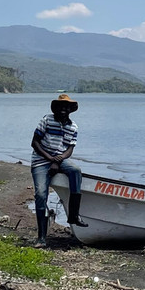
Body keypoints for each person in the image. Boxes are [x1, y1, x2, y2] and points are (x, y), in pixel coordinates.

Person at [30, 93, 88, 246]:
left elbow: (69, 149)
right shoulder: (46, 120)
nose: (63, 109)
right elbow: (35, 143)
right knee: (41, 194)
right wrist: (50, 159)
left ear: (70, 109)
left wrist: (59, 160)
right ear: (55, 108)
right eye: (60, 106)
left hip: (60, 159)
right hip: (41, 161)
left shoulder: (73, 126)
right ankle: (41, 237)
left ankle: (73, 215)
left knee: (75, 170)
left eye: (66, 107)